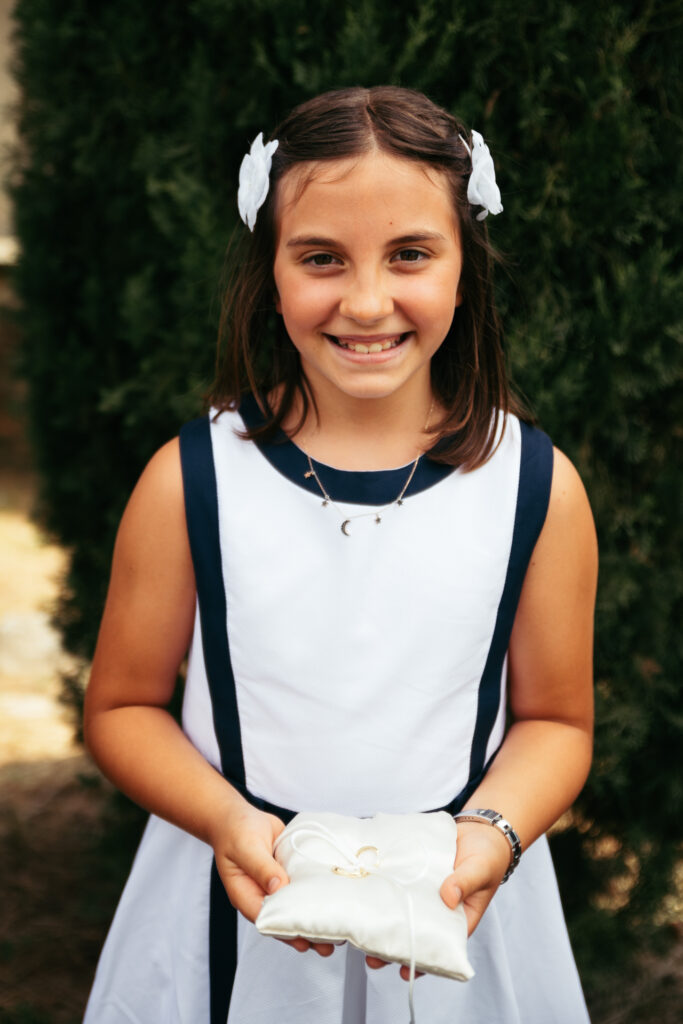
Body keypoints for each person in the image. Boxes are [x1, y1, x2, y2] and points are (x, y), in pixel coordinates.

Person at [82, 86, 597, 1024]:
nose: (366, 301)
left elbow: (556, 720)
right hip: (231, 917)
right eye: (321, 258)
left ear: (462, 267)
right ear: (270, 270)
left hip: (458, 924)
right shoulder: (188, 480)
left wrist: (490, 834)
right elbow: (121, 706)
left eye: (409, 254)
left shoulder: (535, 486)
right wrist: (228, 822)